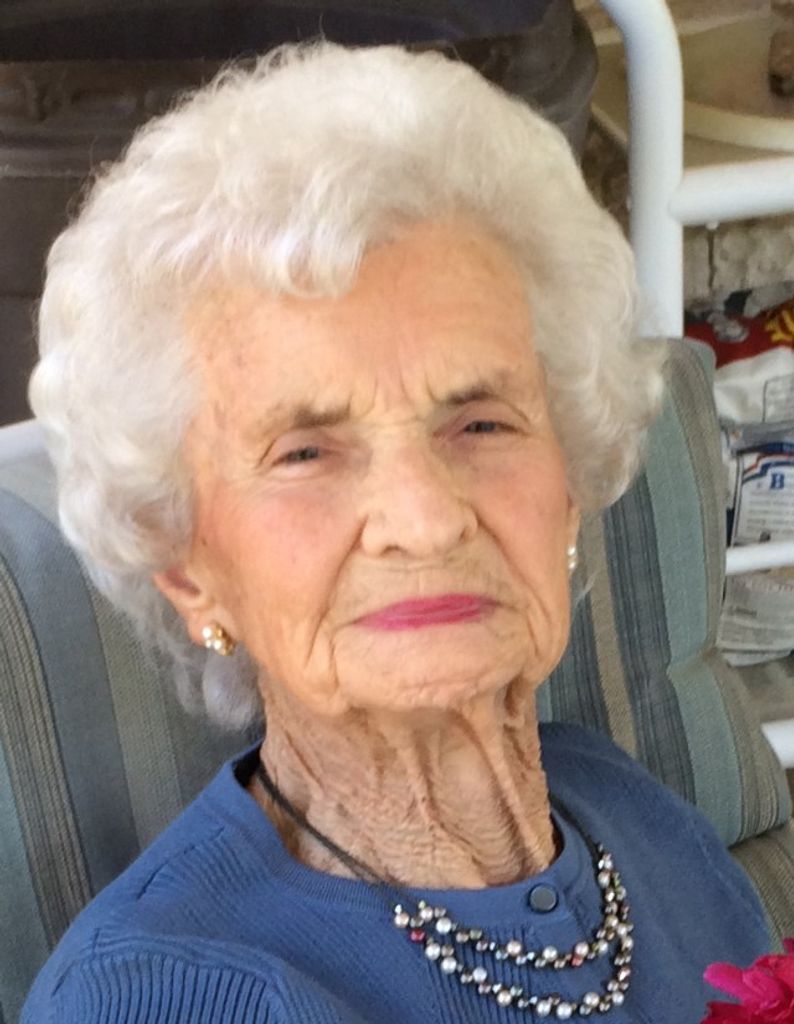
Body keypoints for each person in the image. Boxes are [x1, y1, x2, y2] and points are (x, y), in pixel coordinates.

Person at [22, 43, 768, 1024]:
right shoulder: (154, 996)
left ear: (570, 486)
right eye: (305, 452)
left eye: (481, 424)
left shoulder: (631, 813)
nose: (424, 517)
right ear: (188, 566)